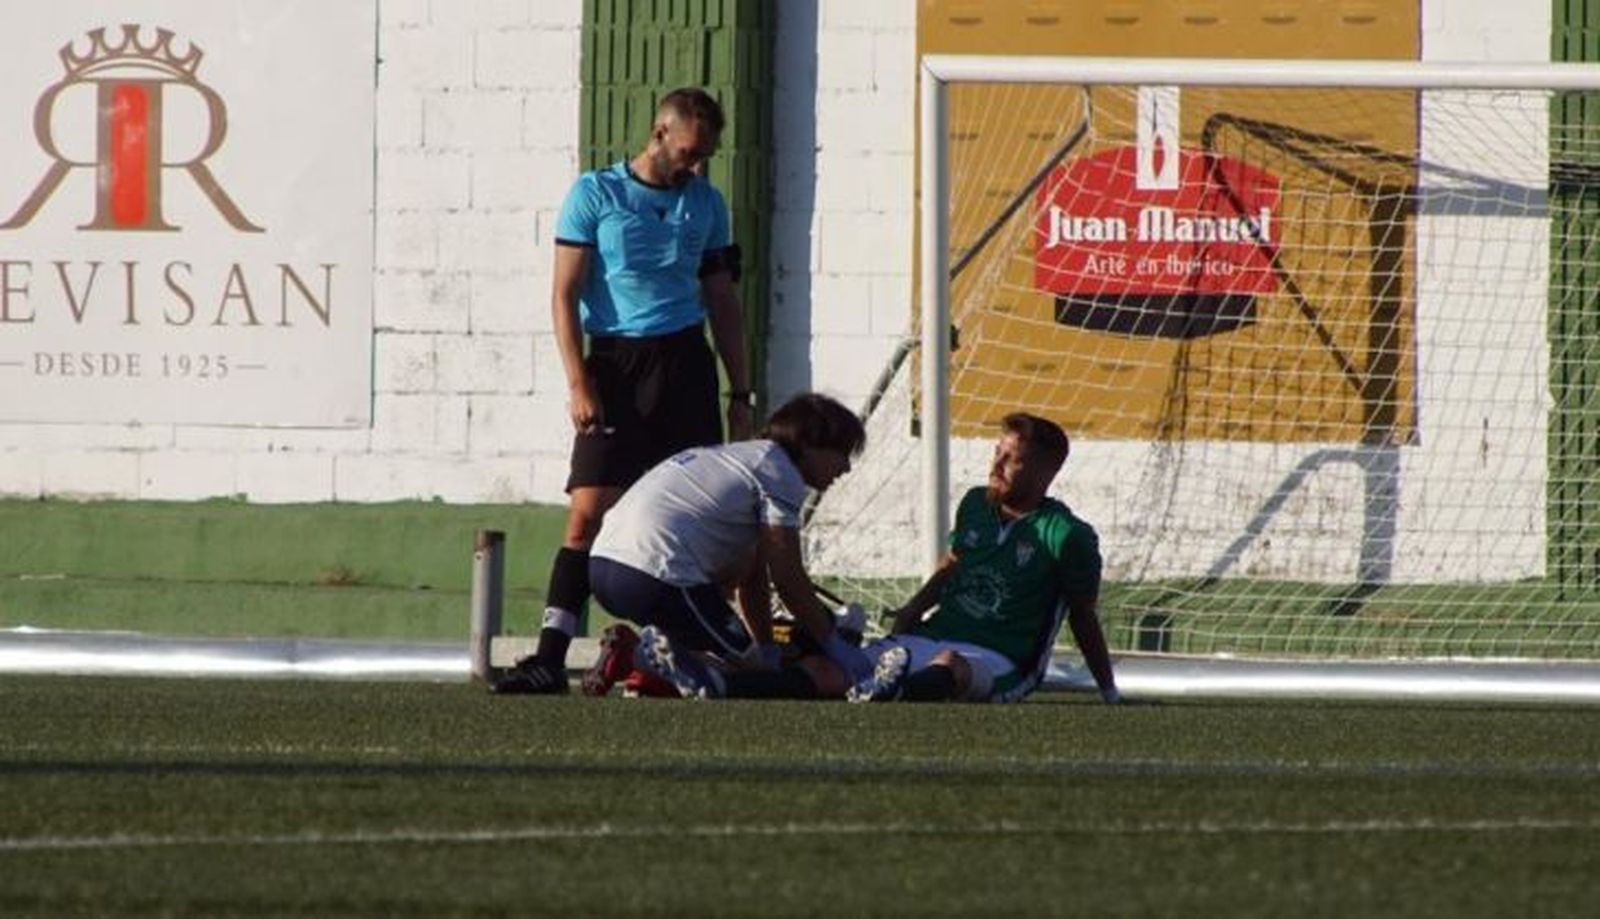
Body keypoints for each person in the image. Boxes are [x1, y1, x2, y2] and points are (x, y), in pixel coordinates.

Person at [494, 87, 752, 694]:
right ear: (660, 134)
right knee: (587, 514)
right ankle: (550, 657)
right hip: (615, 363)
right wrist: (577, 380)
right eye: (690, 151)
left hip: (686, 364)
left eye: (706, 155)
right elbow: (563, 294)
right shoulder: (596, 195)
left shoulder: (706, 204)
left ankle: (691, 657)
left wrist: (741, 393)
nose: (697, 166)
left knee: (697, 519)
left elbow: (722, 299)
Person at [641, 412, 1121, 704]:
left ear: (1045, 469)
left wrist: (1108, 690)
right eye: (996, 452)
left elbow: (1083, 616)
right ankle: (720, 685)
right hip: (929, 634)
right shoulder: (976, 503)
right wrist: (913, 609)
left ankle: (895, 691)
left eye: (1010, 458)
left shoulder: (1068, 536)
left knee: (951, 666)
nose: (994, 465)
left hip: (1001, 658)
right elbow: (952, 563)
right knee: (834, 669)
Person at [580, 393, 877, 698]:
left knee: (713, 651)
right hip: (655, 575)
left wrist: (766, 647)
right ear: (808, 444)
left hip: (603, 566)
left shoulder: (739, 457)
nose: (846, 468)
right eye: (842, 452)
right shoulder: (780, 472)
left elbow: (753, 572)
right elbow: (788, 579)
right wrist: (833, 644)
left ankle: (639, 663)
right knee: (751, 678)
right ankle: (634, 656)